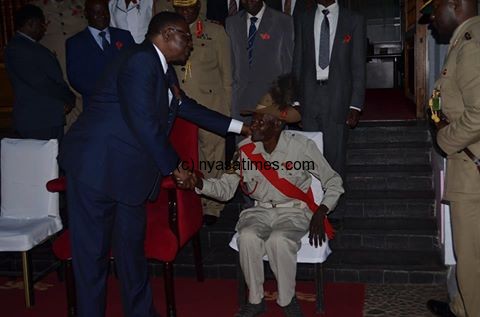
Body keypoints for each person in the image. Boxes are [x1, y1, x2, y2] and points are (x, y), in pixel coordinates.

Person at [58, 12, 250, 317]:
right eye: (186, 37)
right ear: (167, 34)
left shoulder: (162, 69)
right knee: (92, 257)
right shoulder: (139, 60)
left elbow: (184, 107)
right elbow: (144, 123)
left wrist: (241, 128)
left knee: (132, 252)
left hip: (130, 174)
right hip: (95, 169)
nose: (191, 45)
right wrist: (176, 167)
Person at [189, 75, 344, 317]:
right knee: (248, 236)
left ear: (278, 124)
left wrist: (322, 211)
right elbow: (226, 189)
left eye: (260, 121)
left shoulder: (301, 148)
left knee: (278, 240)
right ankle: (255, 300)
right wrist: (198, 182)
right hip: (259, 211)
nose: (253, 126)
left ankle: (287, 299)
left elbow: (333, 181)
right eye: (253, 120)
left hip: (293, 211)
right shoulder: (244, 151)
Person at [421, 0, 480, 316]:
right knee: (468, 255)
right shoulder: (464, 41)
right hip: (469, 168)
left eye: (435, 9)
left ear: (457, 5)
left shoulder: (472, 44)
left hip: (473, 174)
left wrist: (444, 140)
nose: (430, 19)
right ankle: (461, 306)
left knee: (472, 258)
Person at [293, 0, 366, 182]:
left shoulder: (353, 20)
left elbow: (358, 65)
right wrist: (295, 101)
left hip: (338, 97)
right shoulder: (303, 18)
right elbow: (298, 61)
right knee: (309, 159)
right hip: (309, 96)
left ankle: (335, 207)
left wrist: (355, 105)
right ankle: (312, 205)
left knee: (335, 161)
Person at [173, 0, 232, 224]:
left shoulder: (215, 31)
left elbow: (227, 74)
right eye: (180, 9)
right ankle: (191, 201)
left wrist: (226, 110)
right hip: (181, 106)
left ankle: (213, 205)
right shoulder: (170, 31)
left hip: (211, 103)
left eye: (190, 8)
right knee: (186, 154)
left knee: (211, 157)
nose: (185, 13)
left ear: (199, 8)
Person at [4, 4, 76, 141]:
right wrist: (67, 96)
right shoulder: (17, 48)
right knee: (42, 161)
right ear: (31, 23)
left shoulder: (30, 46)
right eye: (42, 24)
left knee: (54, 159)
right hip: (37, 120)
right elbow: (41, 82)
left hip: (48, 117)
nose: (44, 28)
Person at [226, 0, 294, 122]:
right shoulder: (231, 22)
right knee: (243, 142)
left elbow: (288, 65)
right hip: (240, 101)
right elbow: (230, 63)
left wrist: (285, 100)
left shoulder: (283, 20)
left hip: (271, 101)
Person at [30, 0, 87, 131]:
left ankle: (81, 137)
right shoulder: (36, 5)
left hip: (79, 60)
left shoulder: (81, 3)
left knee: (80, 97)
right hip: (51, 62)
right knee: (58, 99)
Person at [66, 0, 135, 109]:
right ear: (86, 14)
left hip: (127, 102)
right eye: (96, 13)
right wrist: (105, 93)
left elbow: (135, 66)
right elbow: (76, 77)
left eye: (105, 12)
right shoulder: (76, 43)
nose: (102, 16)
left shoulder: (124, 36)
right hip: (96, 105)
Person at [108, 0, 206, 43]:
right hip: (120, 51)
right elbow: (111, 29)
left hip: (143, 49)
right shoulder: (112, 3)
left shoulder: (149, 2)